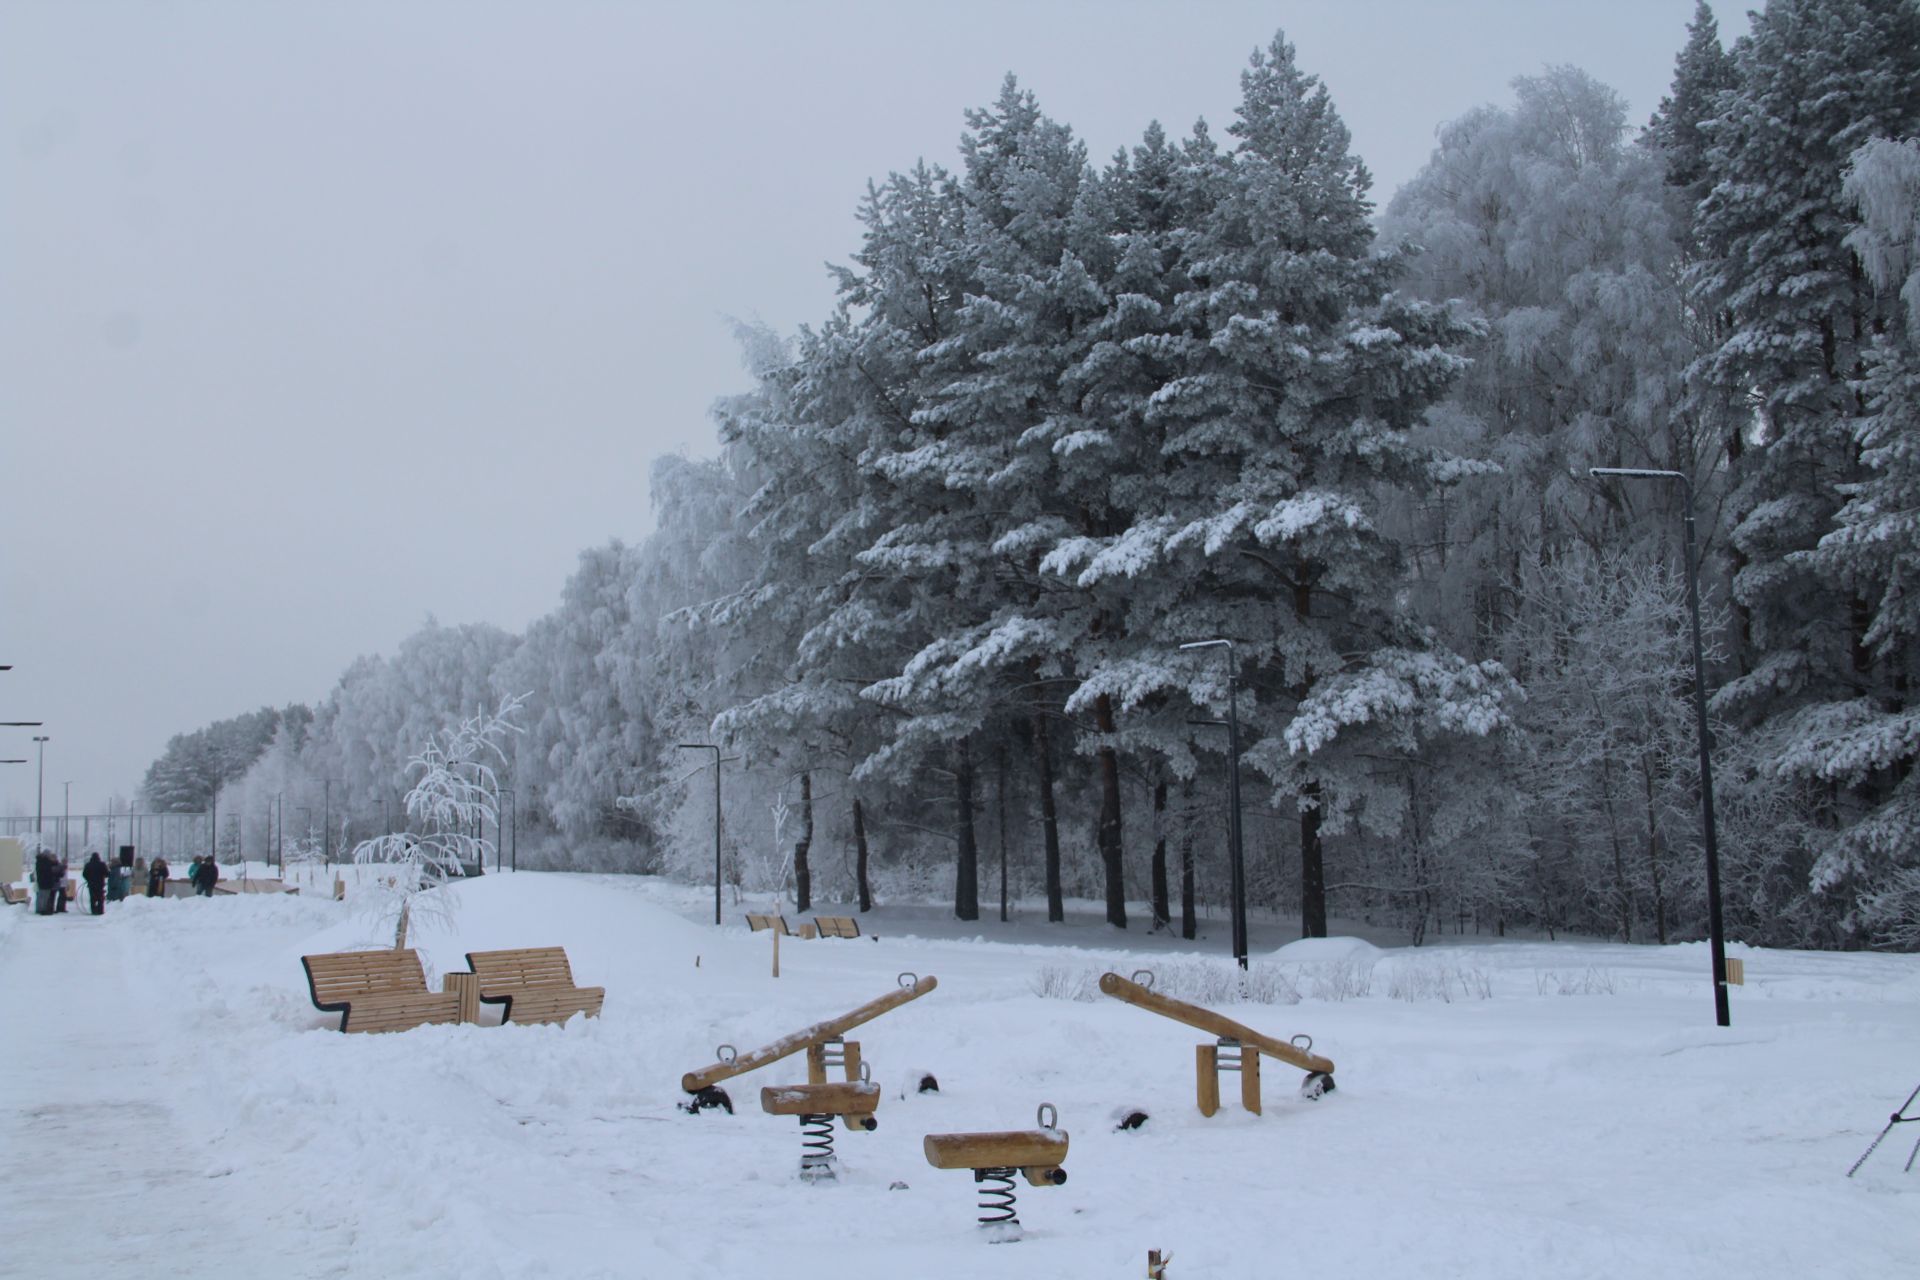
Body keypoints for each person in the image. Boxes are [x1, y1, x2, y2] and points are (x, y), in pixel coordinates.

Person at [33, 850, 56, 915]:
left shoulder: (40, 861)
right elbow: (48, 871)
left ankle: (40, 908)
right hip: (45, 881)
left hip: (42, 881)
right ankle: (42, 909)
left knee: (41, 896)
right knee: (44, 896)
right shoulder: (45, 862)